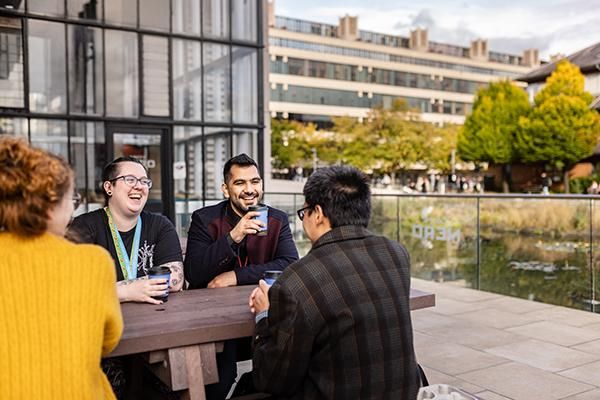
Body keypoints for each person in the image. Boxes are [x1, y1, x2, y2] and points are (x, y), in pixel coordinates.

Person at [249, 165, 419, 399]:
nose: (304, 219)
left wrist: (263, 315)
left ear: (317, 213)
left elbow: (272, 379)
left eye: (304, 212)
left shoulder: (298, 280)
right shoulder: (396, 254)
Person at [0, 137, 122, 399]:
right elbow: (108, 340)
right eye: (72, 200)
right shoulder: (93, 262)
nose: (72, 211)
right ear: (49, 207)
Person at [184, 153, 298, 399]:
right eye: (240, 183)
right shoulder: (204, 219)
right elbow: (193, 272)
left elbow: (290, 265)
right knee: (220, 380)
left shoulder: (277, 219)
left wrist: (235, 276)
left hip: (259, 313)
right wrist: (233, 237)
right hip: (213, 320)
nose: (250, 190)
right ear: (226, 190)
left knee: (283, 366)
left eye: (255, 182)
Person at [68, 156, 184, 399]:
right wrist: (126, 290)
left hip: (154, 331)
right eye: (129, 179)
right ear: (109, 187)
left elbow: (175, 279)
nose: (139, 186)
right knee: (111, 385)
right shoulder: (83, 227)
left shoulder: (160, 225)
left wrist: (107, 289)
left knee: (176, 381)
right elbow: (70, 288)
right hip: (102, 336)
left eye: (144, 181)